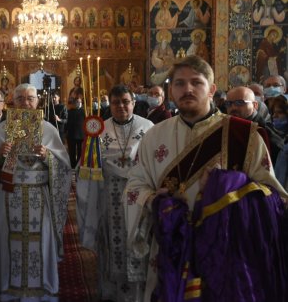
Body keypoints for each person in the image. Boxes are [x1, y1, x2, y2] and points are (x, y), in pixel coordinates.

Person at [126, 55, 287, 302]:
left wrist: (228, 188)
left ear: (211, 89)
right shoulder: (153, 137)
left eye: (196, 82)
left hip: (227, 254)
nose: (187, 89)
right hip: (172, 252)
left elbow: (274, 199)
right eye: (179, 83)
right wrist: (152, 200)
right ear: (171, 90)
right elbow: (135, 185)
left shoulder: (245, 136)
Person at [0, 84, 71, 301]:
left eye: (30, 98)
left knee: (42, 239)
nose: (25, 103)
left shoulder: (49, 129)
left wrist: (48, 156)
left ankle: (43, 288)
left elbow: (65, 168)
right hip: (8, 196)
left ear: (38, 101)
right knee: (7, 238)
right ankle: (8, 287)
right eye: (20, 99)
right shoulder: (2, 130)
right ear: (13, 101)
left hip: (39, 195)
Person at [76, 85, 153, 302]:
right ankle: (111, 293)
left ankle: (138, 294)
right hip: (108, 193)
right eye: (116, 102)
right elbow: (86, 164)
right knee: (111, 239)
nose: (121, 106)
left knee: (137, 237)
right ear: (110, 103)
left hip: (138, 193)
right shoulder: (99, 128)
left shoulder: (148, 127)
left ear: (133, 102)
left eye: (126, 101)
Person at [225, 86, 284, 163]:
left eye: (239, 102)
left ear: (255, 105)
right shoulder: (226, 128)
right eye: (228, 104)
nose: (233, 108)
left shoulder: (265, 134)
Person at [65, 97, 86, 168]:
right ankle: (72, 166)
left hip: (81, 135)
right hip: (71, 135)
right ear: (74, 103)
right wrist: (65, 132)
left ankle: (79, 165)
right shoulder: (69, 111)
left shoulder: (84, 111)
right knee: (72, 153)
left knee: (80, 152)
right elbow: (66, 123)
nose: (78, 103)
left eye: (80, 102)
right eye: (77, 102)